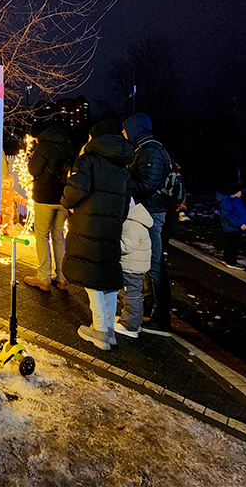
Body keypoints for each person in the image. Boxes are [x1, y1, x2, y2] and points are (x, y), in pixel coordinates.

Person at [61, 119, 134, 350]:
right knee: (107, 276)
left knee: (91, 274)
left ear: (96, 138)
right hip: (111, 227)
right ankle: (109, 331)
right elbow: (125, 204)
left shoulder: (88, 161)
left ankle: (100, 330)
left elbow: (75, 190)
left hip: (88, 224)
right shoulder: (122, 169)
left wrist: (67, 202)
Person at [122, 113, 173, 336]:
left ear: (135, 128)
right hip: (148, 213)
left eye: (126, 129)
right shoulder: (144, 148)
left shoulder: (150, 150)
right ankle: (150, 308)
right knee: (147, 263)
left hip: (152, 214)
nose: (123, 133)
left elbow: (147, 184)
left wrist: (123, 178)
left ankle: (162, 318)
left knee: (153, 264)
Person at [24, 119, 74, 292]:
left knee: (41, 235)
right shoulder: (67, 143)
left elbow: (33, 170)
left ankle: (43, 277)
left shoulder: (44, 147)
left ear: (38, 135)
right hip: (63, 197)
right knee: (58, 235)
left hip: (45, 197)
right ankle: (62, 278)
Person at [115, 197, 152, 339]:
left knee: (130, 296)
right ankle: (133, 321)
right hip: (135, 267)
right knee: (132, 294)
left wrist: (112, 242)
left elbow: (126, 246)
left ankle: (130, 326)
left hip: (131, 268)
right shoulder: (137, 222)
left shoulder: (131, 225)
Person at [216, 187, 246, 269]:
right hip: (232, 228)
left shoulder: (236, 200)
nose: (241, 193)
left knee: (232, 244)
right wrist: (239, 224)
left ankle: (227, 259)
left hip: (236, 228)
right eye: (239, 191)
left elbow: (243, 211)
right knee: (233, 245)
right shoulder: (228, 202)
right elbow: (227, 216)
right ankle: (231, 261)